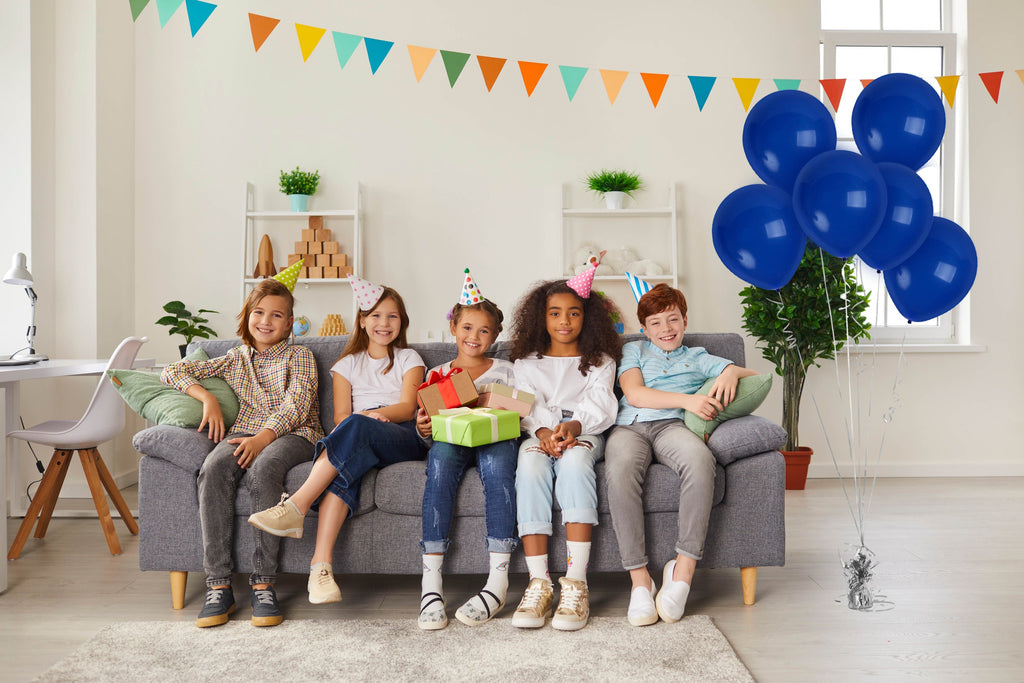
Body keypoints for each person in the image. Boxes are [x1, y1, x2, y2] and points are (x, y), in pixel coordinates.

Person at [247, 278, 426, 605]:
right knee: (343, 470)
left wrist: (369, 418)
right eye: (375, 316)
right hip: (359, 439)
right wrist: (362, 422)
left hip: (400, 437)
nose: (384, 323)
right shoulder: (346, 365)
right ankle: (321, 569)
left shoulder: (408, 358)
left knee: (356, 426)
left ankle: (296, 506)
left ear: (402, 322)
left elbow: (406, 407)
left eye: (392, 317)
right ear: (362, 321)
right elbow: (342, 417)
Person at [161, 274, 323, 628]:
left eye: (276, 315)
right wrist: (206, 397)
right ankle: (218, 585)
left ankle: (263, 584)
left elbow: (297, 405)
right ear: (247, 316)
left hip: (294, 433)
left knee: (264, 470)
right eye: (258, 312)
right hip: (244, 432)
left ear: (289, 323)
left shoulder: (300, 355)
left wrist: (262, 440)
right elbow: (172, 371)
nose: (266, 321)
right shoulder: (235, 358)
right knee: (213, 468)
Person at [606, 282, 758, 626]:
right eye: (656, 323)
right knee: (619, 471)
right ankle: (640, 581)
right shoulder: (633, 350)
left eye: (673, 319)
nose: (666, 329)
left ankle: (683, 571)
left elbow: (754, 376)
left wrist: (731, 371)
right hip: (630, 426)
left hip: (672, 428)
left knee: (701, 461)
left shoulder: (698, 357)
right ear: (644, 329)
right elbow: (635, 394)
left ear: (685, 321)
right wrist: (689, 400)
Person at [506, 267, 622, 631]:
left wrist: (573, 427)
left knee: (575, 462)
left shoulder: (601, 361)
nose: (564, 321)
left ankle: (576, 583)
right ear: (541, 318)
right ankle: (538, 583)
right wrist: (544, 432)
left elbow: (601, 403)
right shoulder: (525, 363)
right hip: (539, 432)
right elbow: (526, 404)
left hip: (584, 430)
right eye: (555, 313)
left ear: (587, 318)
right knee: (529, 466)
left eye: (574, 313)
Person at [415, 269, 519, 630]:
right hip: (452, 440)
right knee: (439, 465)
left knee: (499, 469)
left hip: (496, 437)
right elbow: (427, 423)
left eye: (484, 331)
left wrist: (494, 402)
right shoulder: (436, 374)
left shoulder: (507, 370)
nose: (474, 337)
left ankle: (498, 581)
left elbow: (521, 413)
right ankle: (431, 585)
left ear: (496, 335)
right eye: (467, 328)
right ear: (453, 328)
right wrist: (423, 428)